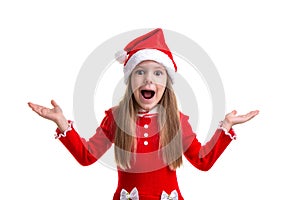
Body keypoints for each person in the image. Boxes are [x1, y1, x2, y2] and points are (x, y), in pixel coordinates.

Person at [28, 28, 259, 200]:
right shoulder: (116, 118)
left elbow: (202, 160)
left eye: (158, 73)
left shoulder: (176, 121)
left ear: (166, 84)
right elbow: (86, 156)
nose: (149, 79)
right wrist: (61, 122)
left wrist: (227, 124)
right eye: (140, 72)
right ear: (130, 81)